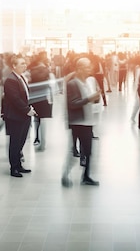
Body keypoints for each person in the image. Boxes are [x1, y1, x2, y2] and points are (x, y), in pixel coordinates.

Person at [62, 57, 101, 187]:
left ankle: (86, 176)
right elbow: (73, 104)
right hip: (77, 122)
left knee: (88, 150)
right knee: (73, 150)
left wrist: (96, 98)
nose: (89, 69)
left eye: (90, 66)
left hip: (88, 121)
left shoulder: (88, 82)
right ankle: (66, 174)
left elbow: (91, 100)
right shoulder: (73, 84)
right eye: (87, 67)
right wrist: (90, 98)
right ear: (79, 69)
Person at [2, 55, 36, 177]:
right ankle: (14, 168)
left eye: (24, 63)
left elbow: (24, 96)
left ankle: (19, 166)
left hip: (23, 115)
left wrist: (29, 108)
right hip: (16, 116)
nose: (24, 65)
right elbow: (15, 99)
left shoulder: (20, 77)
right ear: (14, 66)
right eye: (21, 64)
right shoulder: (11, 80)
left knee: (21, 142)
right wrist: (27, 110)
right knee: (15, 143)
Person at [28, 54, 54, 151]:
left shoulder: (32, 70)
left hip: (34, 96)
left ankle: (36, 138)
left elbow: (29, 83)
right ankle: (43, 143)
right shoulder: (47, 70)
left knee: (36, 119)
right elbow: (52, 85)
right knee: (43, 120)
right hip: (45, 97)